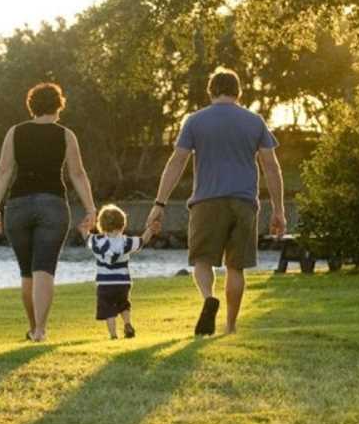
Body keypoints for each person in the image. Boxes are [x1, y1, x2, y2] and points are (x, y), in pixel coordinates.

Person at [146, 68, 286, 336]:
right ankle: (230, 327)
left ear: (211, 91)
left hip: (206, 201)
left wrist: (159, 203)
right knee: (236, 267)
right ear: (238, 92)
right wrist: (278, 210)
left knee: (202, 260)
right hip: (244, 202)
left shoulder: (195, 121)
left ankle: (209, 298)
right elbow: (272, 167)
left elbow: (177, 162)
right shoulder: (254, 121)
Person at [0, 82, 97, 342]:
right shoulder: (66, 135)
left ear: (32, 106)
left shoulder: (14, 132)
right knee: (44, 269)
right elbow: (77, 173)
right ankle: (40, 329)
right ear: (58, 105)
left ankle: (32, 328)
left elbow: (3, 171)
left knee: (27, 272)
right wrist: (91, 208)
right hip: (53, 205)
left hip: (18, 205)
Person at [85, 204, 159, 339]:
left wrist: (85, 228)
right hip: (122, 282)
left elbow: (87, 238)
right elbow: (142, 241)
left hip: (105, 283)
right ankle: (127, 323)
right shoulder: (126, 242)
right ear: (122, 224)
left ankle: (113, 335)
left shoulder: (97, 241)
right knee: (123, 304)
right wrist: (150, 230)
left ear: (101, 224)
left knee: (108, 310)